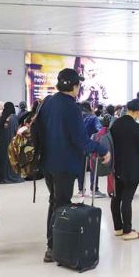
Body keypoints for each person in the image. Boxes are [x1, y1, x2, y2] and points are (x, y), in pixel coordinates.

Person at [38, 68, 111, 263]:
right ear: (74, 86)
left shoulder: (48, 102)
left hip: (47, 163)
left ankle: (52, 244)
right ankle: (55, 248)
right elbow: (80, 140)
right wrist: (102, 150)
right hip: (64, 164)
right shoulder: (71, 107)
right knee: (61, 204)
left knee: (54, 202)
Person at [109, 99, 139, 241]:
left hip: (117, 166)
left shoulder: (115, 124)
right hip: (132, 168)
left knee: (116, 197)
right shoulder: (137, 127)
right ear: (138, 112)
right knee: (127, 199)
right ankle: (127, 231)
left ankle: (118, 228)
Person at [78, 101, 105, 197]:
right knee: (93, 167)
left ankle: (81, 189)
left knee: (81, 168)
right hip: (91, 145)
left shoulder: (77, 117)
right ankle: (94, 189)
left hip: (78, 146)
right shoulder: (93, 118)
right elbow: (99, 129)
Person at [0, 102, 24, 184]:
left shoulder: (4, 117)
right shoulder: (14, 117)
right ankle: (13, 176)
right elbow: (16, 131)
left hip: (4, 142)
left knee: (6, 159)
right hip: (12, 141)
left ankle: (6, 176)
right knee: (13, 159)